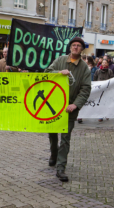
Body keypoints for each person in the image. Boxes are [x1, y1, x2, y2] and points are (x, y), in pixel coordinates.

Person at [44, 37, 91, 182]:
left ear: (82, 49)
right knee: (52, 134)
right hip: (54, 106)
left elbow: (85, 89)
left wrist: (75, 105)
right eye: (73, 45)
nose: (75, 47)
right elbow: (46, 72)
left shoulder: (84, 68)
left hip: (70, 108)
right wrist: (58, 72)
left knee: (65, 138)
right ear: (70, 47)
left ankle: (60, 168)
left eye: (78, 46)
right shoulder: (60, 60)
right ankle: (53, 154)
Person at [77, 56, 96, 124]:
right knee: (81, 100)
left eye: (86, 59)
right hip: (83, 85)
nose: (85, 60)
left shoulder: (94, 68)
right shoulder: (82, 67)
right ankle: (80, 116)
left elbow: (95, 76)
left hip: (92, 85)